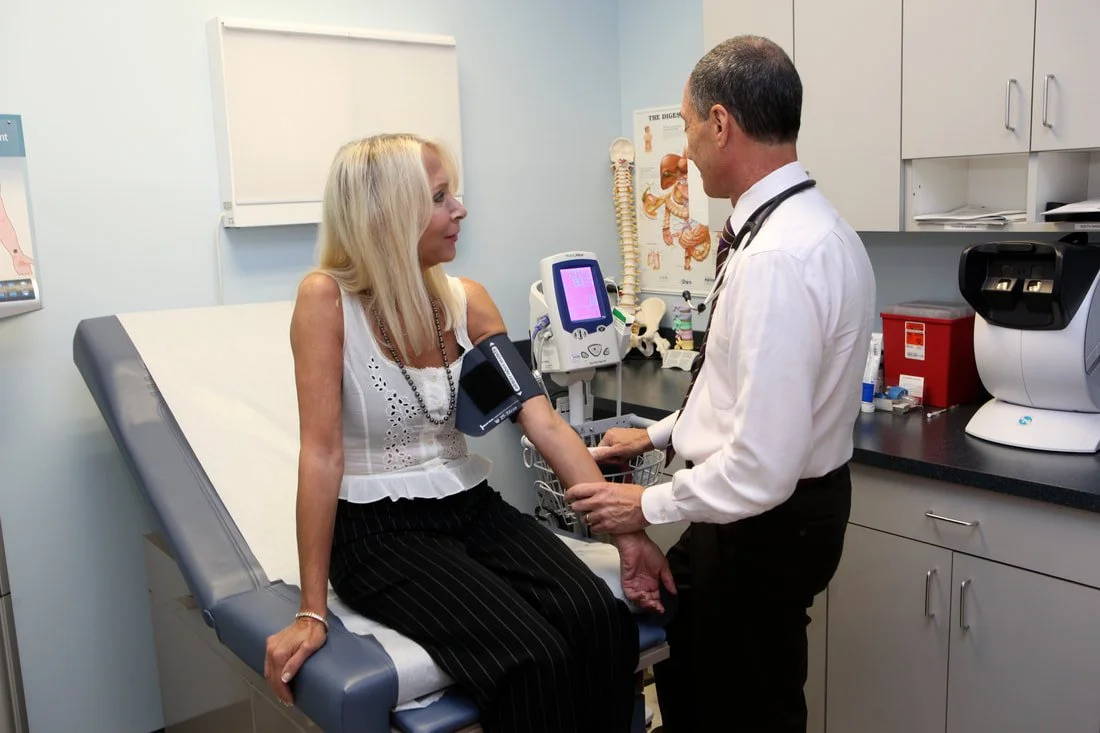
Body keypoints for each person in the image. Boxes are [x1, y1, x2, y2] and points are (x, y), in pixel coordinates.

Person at [261, 132, 675, 733]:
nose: (459, 209)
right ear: (388, 214)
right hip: (377, 534)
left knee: (597, 616)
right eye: (439, 197)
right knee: (531, 655)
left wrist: (629, 536)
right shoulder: (327, 302)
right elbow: (321, 456)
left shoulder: (465, 302)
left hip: (470, 509)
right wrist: (311, 611)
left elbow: (544, 421)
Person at [565, 36, 876, 732]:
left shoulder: (777, 259)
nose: (685, 147)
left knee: (742, 701)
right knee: (705, 666)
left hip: (766, 520)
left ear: (720, 123)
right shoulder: (813, 230)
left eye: (684, 125)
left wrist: (645, 502)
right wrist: (655, 433)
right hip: (778, 512)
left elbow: (760, 465)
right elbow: (741, 389)